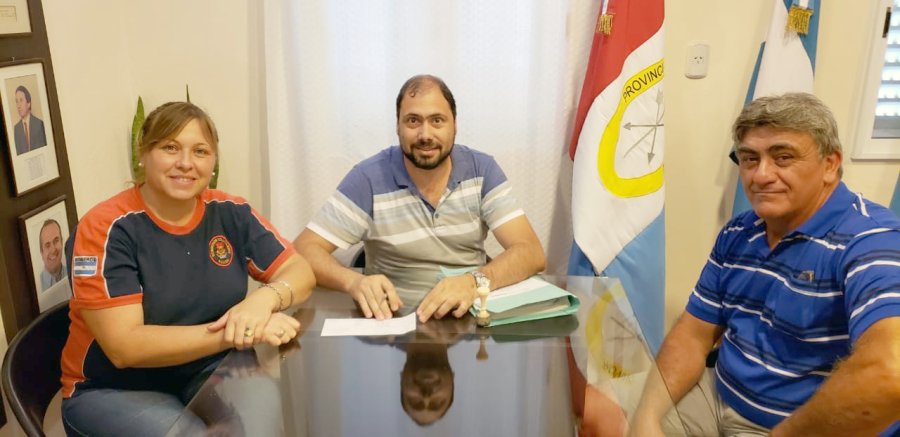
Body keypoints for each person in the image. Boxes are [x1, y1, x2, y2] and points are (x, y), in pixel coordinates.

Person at [631, 93, 900, 436]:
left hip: (799, 427)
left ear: (830, 164)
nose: (761, 175)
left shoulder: (871, 241)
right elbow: (693, 334)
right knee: (621, 418)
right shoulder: (739, 231)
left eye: (783, 157)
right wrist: (647, 416)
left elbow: (890, 373)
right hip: (719, 396)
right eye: (749, 159)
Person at [60, 102, 317, 436]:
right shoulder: (106, 227)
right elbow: (125, 348)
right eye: (170, 147)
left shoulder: (231, 212)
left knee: (266, 427)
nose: (185, 163)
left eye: (200, 151)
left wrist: (264, 300)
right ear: (143, 153)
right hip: (115, 387)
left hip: (211, 367)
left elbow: (300, 271)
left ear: (214, 162)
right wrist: (237, 331)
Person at [294, 74, 545, 323]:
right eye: (413, 121)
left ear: (454, 125)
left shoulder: (482, 170)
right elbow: (303, 250)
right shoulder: (368, 178)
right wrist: (354, 282)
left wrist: (472, 283)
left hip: (469, 324)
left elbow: (531, 252)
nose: (425, 134)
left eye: (437, 121)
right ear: (397, 126)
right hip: (392, 325)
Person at [13, 85, 48, 155]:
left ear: (28, 103)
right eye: (16, 101)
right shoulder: (16, 129)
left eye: (21, 100)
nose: (18, 105)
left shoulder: (39, 124)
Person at [38, 219, 66, 291]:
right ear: (41, 252)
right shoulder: (37, 287)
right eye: (47, 245)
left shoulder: (73, 274)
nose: (53, 250)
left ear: (62, 242)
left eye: (56, 241)